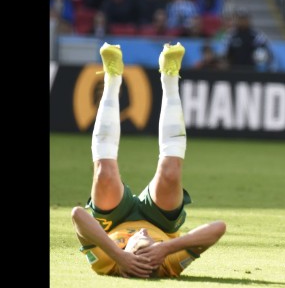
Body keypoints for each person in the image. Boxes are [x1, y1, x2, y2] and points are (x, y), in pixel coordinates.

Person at [71, 42, 227, 278]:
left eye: (139, 243)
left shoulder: (106, 263)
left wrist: (117, 254)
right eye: (150, 242)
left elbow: (77, 215)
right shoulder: (169, 264)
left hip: (111, 223)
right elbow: (218, 228)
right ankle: (170, 77)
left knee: (104, 173)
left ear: (128, 253)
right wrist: (164, 246)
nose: (144, 232)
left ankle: (112, 78)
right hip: (162, 221)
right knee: (171, 172)